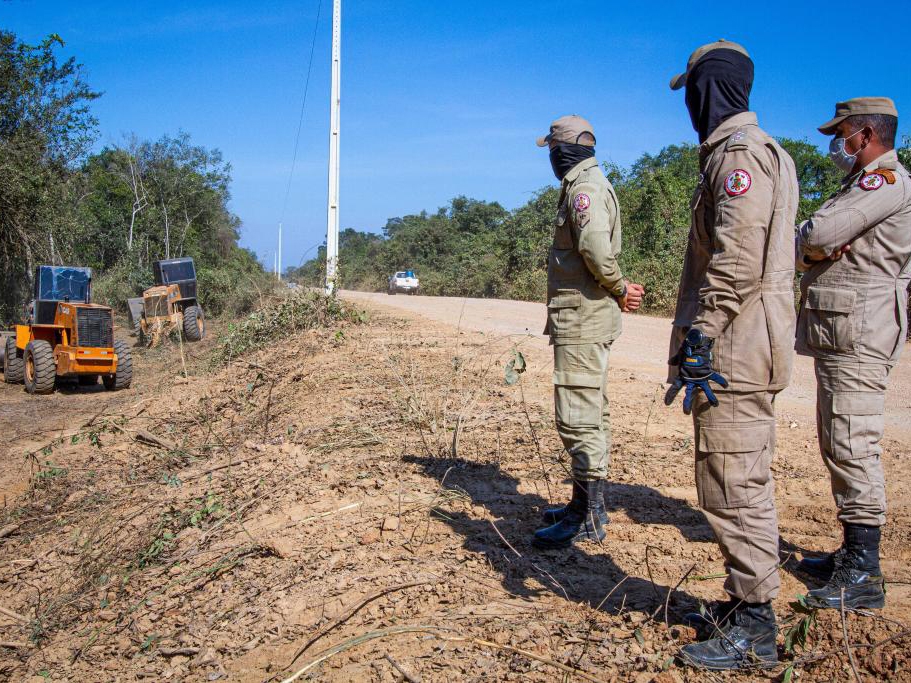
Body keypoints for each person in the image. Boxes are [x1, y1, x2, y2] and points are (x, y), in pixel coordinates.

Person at [664, 40, 799, 670]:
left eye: (690, 93)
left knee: (732, 482)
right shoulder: (761, 151)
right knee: (741, 476)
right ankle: (746, 604)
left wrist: (702, 333)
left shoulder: (738, 156)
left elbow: (737, 259)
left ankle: (755, 626)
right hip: (748, 343)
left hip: (735, 348)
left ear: (705, 90)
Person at [794, 97, 911, 611]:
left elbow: (818, 232)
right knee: (838, 437)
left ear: (864, 134)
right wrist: (814, 247)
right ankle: (850, 553)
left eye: (839, 134)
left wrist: (810, 244)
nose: (834, 145)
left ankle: (863, 573)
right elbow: (819, 243)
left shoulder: (882, 182)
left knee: (851, 440)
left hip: (858, 330)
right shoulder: (862, 185)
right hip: (846, 329)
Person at [532, 115, 644, 550]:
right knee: (591, 411)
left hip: (581, 317)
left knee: (578, 414)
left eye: (551, 152)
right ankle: (586, 504)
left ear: (562, 152)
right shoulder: (587, 184)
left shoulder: (584, 190)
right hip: (582, 316)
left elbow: (595, 249)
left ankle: (587, 514)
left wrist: (618, 286)